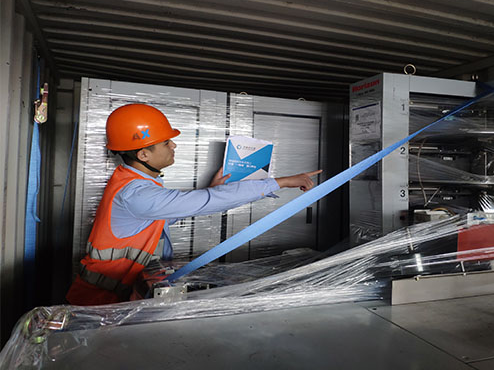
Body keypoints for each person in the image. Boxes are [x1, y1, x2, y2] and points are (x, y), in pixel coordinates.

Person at [66, 103, 321, 306]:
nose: (173, 145)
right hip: (101, 302)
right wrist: (281, 182)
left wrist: (211, 191)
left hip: (117, 296)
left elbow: (165, 215)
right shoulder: (136, 193)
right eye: (166, 142)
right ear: (143, 155)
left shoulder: (132, 182)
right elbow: (204, 203)